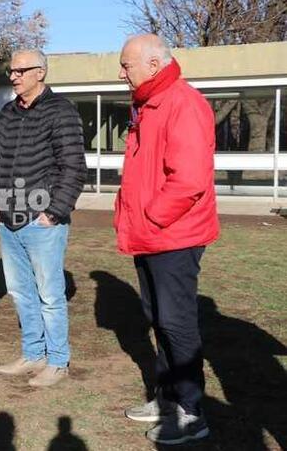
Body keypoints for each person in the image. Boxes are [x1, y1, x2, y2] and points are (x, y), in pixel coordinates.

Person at [115, 34, 218, 445]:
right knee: (158, 318)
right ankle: (167, 397)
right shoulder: (147, 105)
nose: (122, 73)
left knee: (176, 323)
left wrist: (153, 217)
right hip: (152, 234)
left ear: (154, 64)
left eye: (127, 65)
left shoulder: (183, 103)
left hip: (173, 235)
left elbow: (188, 179)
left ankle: (192, 411)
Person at [0, 49, 86, 386]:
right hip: (9, 219)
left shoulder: (61, 111)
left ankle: (57, 360)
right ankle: (33, 354)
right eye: (11, 71)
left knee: (49, 294)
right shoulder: (6, 113)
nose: (14, 76)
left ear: (40, 72)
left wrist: (54, 212)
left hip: (42, 220)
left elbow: (73, 168)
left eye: (21, 70)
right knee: (20, 292)